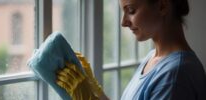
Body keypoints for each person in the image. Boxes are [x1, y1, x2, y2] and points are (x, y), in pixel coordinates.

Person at [55, 0, 206, 99]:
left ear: (162, 6)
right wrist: (95, 91)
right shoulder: (152, 58)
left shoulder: (175, 76)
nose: (123, 22)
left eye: (131, 10)